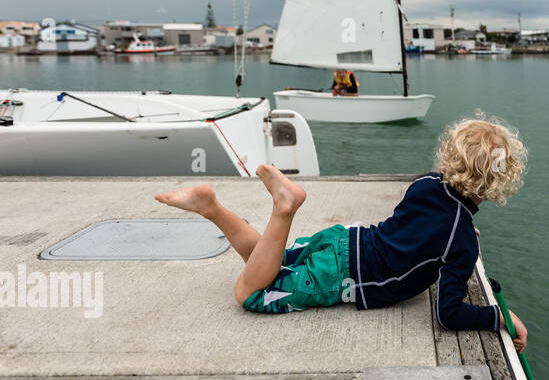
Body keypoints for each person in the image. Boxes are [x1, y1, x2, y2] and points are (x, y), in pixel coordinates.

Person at [152, 114, 529, 351]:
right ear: (499, 183)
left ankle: (212, 208)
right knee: (249, 292)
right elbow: (448, 315)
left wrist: (461, 235)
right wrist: (498, 317)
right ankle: (284, 206)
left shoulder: (426, 184)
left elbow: (421, 229)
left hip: (345, 240)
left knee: (270, 263)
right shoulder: (459, 239)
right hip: (342, 277)